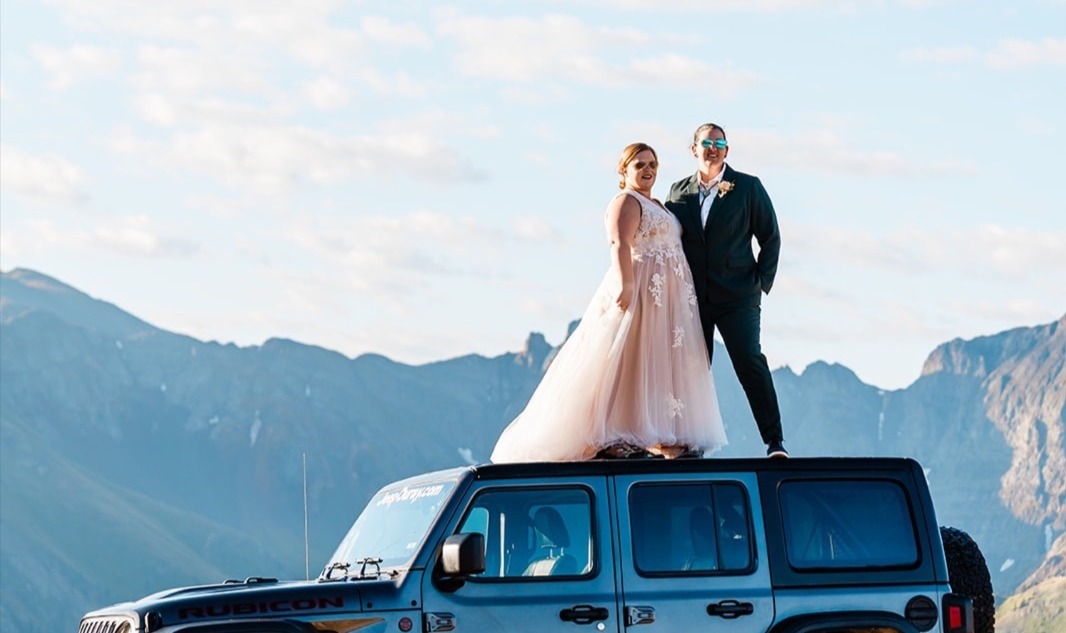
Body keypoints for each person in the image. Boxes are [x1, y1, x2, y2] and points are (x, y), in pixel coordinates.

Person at [490, 143, 727, 463]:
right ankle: (611, 436)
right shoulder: (625, 201)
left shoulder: (655, 202)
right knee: (625, 358)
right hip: (640, 290)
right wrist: (625, 285)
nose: (648, 170)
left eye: (653, 164)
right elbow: (619, 243)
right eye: (640, 164)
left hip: (666, 300)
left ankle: (659, 434)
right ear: (624, 170)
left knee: (653, 362)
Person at [665, 123, 787, 458]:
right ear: (694, 149)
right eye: (707, 142)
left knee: (749, 361)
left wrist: (761, 283)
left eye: (720, 143)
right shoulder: (677, 192)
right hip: (693, 298)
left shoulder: (748, 187)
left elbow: (770, 237)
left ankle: (774, 441)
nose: (713, 148)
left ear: (727, 151)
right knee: (691, 369)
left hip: (738, 297)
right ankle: (692, 443)